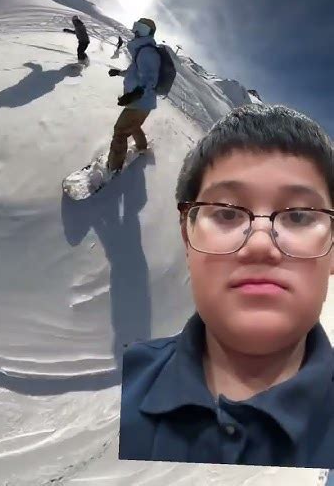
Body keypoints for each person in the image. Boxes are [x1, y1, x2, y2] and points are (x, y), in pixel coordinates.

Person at [119, 103, 334, 468]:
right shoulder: (117, 385)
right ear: (187, 237)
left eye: (299, 216)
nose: (260, 245)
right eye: (227, 213)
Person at [107, 18, 161, 173]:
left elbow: (151, 79)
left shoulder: (147, 52)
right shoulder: (141, 51)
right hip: (142, 102)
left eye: (142, 29)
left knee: (120, 131)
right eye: (137, 27)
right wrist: (119, 73)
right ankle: (142, 147)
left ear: (149, 34)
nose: (137, 31)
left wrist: (137, 93)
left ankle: (114, 167)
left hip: (140, 101)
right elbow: (134, 73)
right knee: (134, 125)